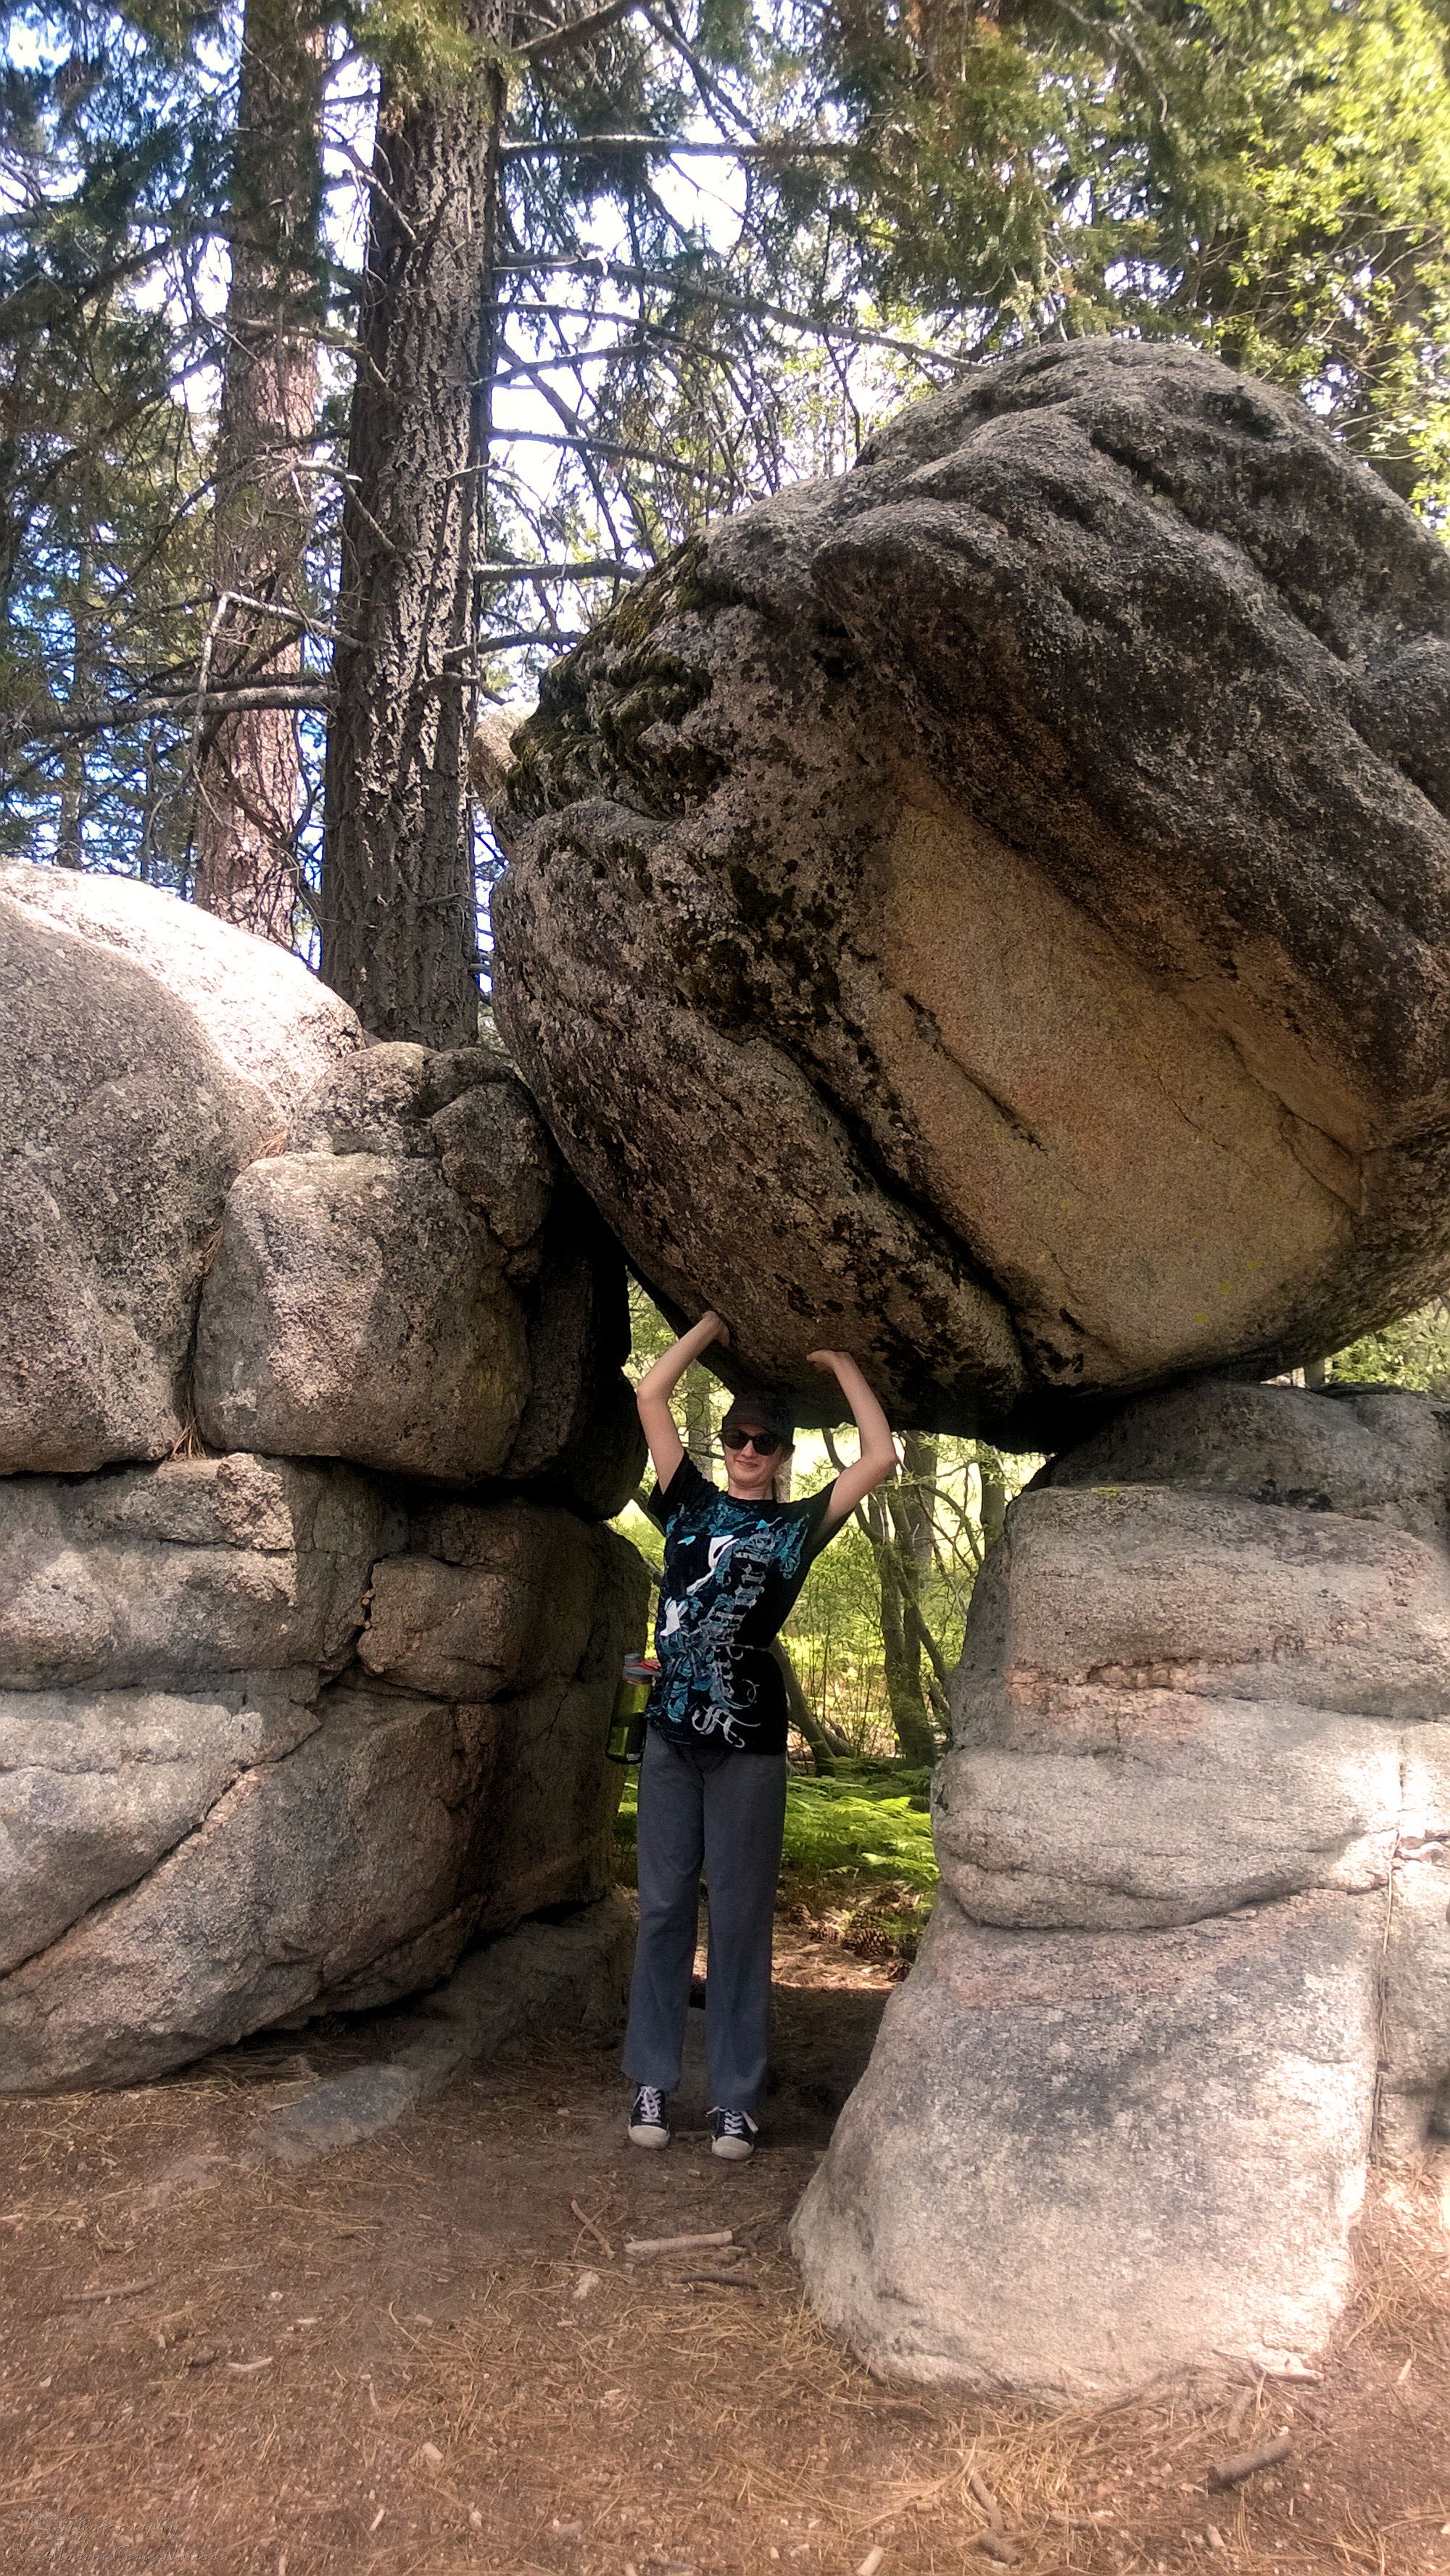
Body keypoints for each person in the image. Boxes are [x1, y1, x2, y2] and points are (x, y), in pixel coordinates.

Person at [624, 1311, 898, 2160]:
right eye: (738, 1438)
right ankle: (652, 2082)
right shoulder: (687, 1503)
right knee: (664, 1908)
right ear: (724, 1443)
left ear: (783, 1457)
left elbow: (878, 1456)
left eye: (765, 1443)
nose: (748, 1450)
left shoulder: (794, 1528)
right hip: (670, 1732)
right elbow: (650, 1392)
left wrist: (842, 1362)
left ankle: (735, 2099)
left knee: (738, 1918)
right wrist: (706, 1325)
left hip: (748, 1743)